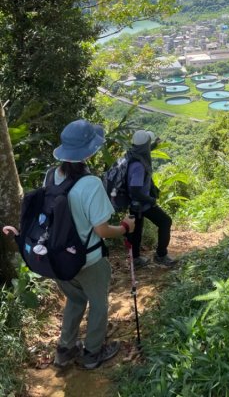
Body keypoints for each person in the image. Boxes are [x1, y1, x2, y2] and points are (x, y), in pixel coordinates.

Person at [50, 119, 135, 370]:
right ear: (88, 152)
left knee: (75, 301)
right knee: (98, 304)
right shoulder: (91, 184)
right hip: (88, 260)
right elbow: (101, 230)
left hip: (59, 260)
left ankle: (64, 350)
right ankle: (92, 353)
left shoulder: (52, 175)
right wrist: (125, 228)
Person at [127, 129, 176, 268]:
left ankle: (135, 260)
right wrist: (150, 200)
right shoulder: (138, 166)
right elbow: (135, 189)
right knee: (165, 221)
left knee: (136, 230)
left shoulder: (134, 154)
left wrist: (155, 143)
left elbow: (147, 149)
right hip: (141, 203)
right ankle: (161, 255)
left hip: (134, 204)